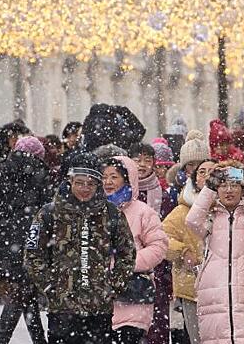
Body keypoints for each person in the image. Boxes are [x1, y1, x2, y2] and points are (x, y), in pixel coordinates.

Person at [24, 153, 136, 344]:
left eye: (91, 183)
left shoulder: (111, 213)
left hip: (99, 309)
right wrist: (50, 286)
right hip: (62, 309)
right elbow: (32, 254)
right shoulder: (49, 213)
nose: (85, 189)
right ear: (70, 181)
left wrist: (113, 286)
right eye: (80, 182)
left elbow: (127, 253)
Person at [186, 160, 244, 343]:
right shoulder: (210, 218)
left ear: (242, 189)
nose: (229, 190)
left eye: (234, 185)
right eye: (223, 185)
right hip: (213, 293)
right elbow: (191, 221)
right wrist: (208, 187)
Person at [0, 136, 52, 344]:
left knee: (23, 295)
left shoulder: (4, 172)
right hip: (32, 241)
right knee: (22, 295)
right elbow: (48, 211)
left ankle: (28, 340)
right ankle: (5, 340)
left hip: (8, 243)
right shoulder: (41, 174)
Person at [101, 156, 169, 343]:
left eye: (113, 177)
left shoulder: (143, 212)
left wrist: (127, 263)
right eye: (104, 176)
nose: (108, 182)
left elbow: (159, 247)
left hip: (132, 295)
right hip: (100, 298)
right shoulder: (94, 211)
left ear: (127, 178)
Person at [163, 159, 217, 344]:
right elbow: (161, 240)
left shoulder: (230, 209)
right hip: (192, 288)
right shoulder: (182, 211)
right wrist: (183, 251)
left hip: (225, 288)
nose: (207, 175)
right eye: (202, 172)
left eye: (213, 171)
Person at [128, 143, 175, 344]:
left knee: (157, 326)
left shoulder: (163, 195)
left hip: (159, 269)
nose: (142, 165)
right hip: (128, 269)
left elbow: (167, 232)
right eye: (138, 160)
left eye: (147, 160)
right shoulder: (122, 194)